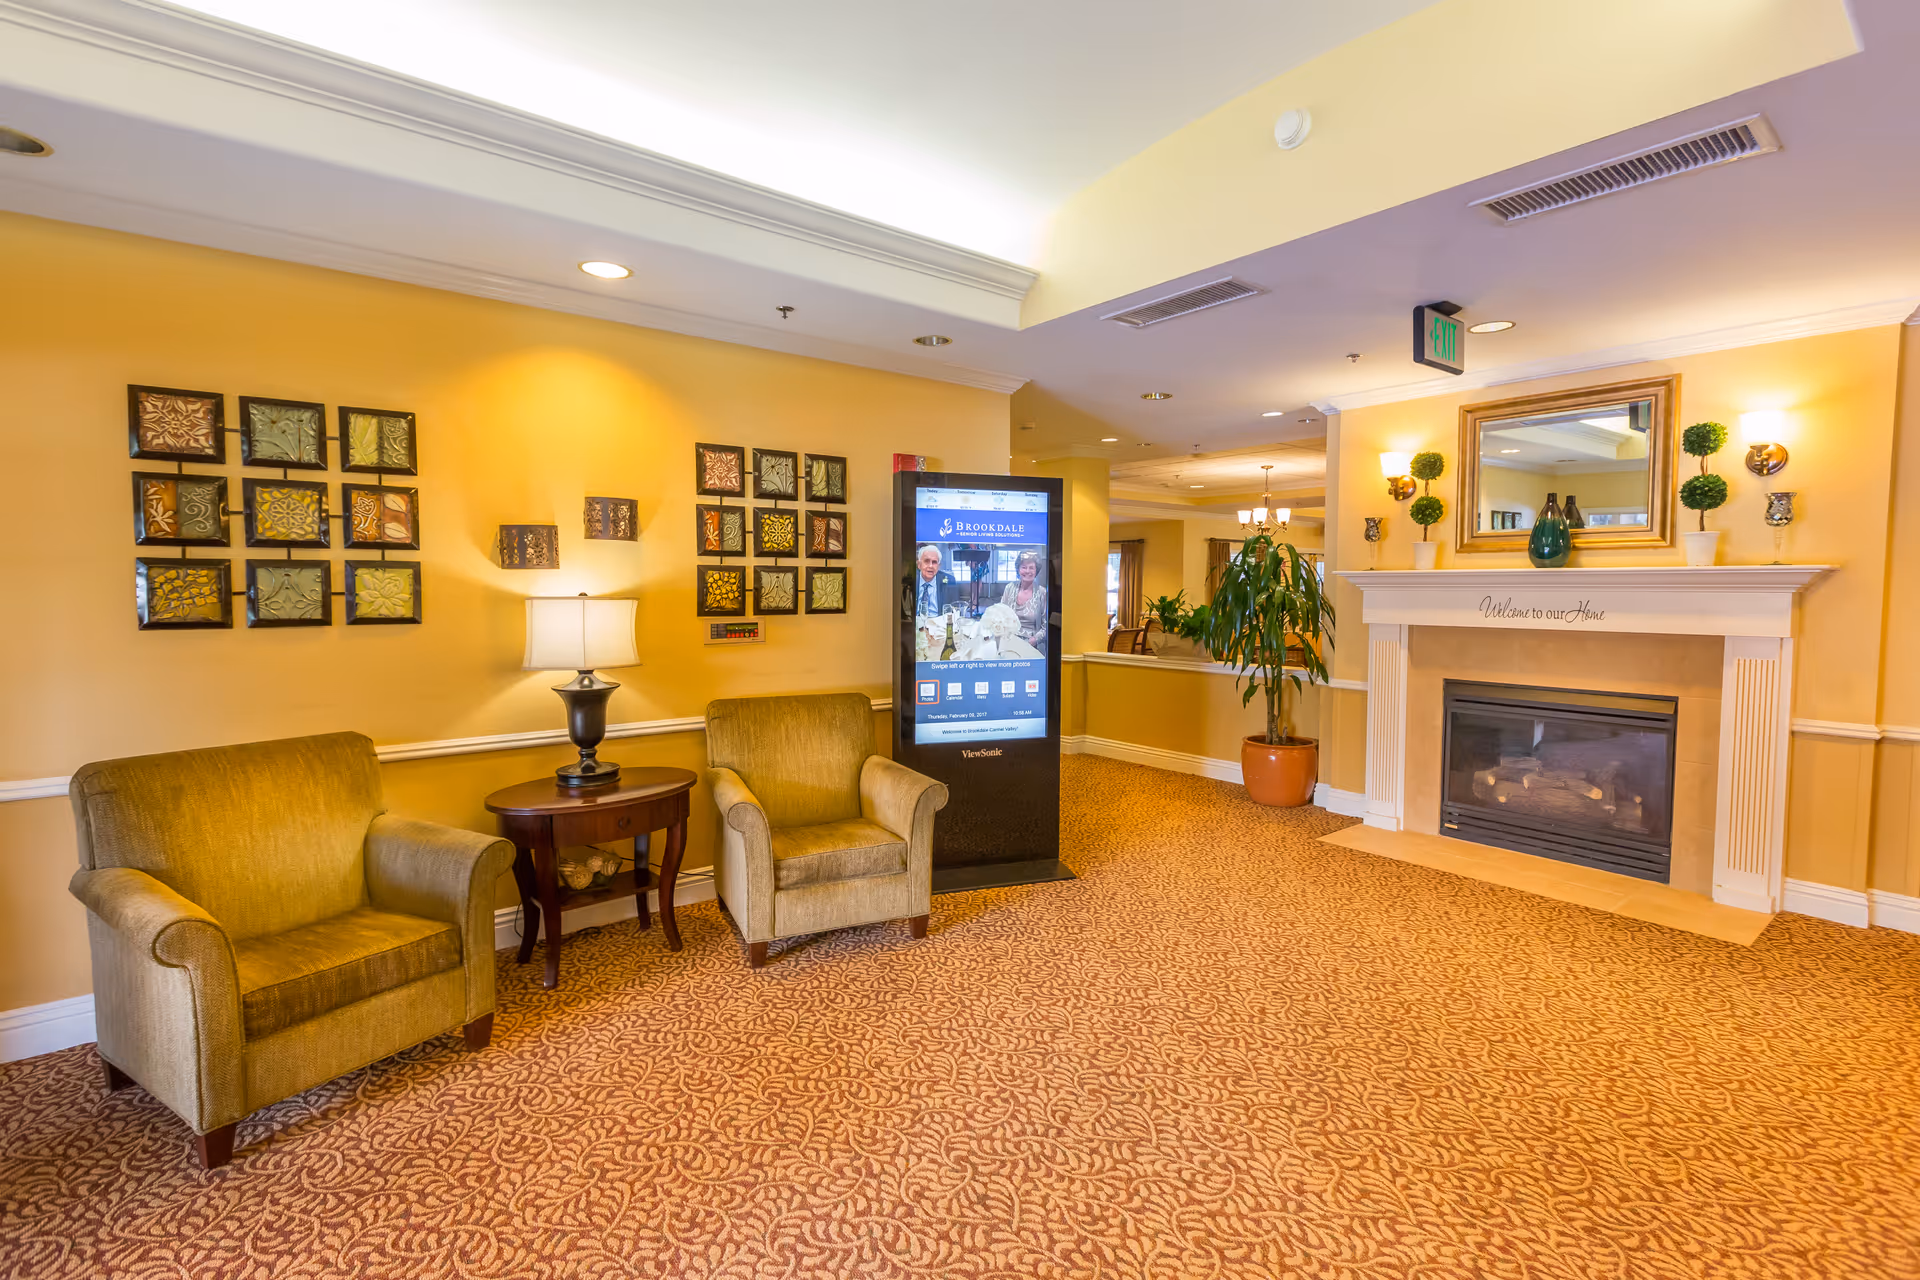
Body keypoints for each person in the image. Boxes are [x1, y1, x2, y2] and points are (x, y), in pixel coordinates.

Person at [998, 551, 1049, 651]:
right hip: (1009, 642)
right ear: (1018, 569)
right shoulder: (1009, 588)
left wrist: (1033, 641)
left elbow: (1046, 627)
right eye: (1024, 567)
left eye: (1031, 567)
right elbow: (999, 616)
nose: (1027, 571)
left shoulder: (1042, 592)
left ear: (1036, 570)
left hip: (1032, 645)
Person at [906, 543, 959, 619]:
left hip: (939, 624)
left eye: (934, 562)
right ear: (919, 564)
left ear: (939, 566)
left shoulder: (949, 581)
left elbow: (954, 611)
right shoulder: (908, 580)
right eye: (926, 561)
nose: (930, 566)